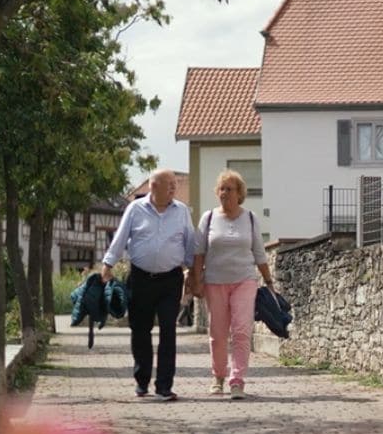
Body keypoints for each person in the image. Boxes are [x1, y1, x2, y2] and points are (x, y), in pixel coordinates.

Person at [100, 168, 195, 401]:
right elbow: (120, 238)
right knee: (140, 330)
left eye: (174, 184)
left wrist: (192, 272)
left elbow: (190, 242)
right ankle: (142, 381)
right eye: (169, 183)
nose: (174, 187)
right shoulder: (135, 209)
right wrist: (107, 264)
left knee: (168, 331)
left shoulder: (182, 211)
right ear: (154, 186)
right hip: (140, 279)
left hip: (170, 280)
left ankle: (164, 386)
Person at [188, 169, 273, 400]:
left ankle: (237, 381)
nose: (224, 193)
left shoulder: (250, 218)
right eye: (221, 189)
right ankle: (218, 377)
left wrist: (268, 281)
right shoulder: (208, 218)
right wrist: (196, 280)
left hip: (244, 280)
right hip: (215, 282)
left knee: (242, 331)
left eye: (229, 189)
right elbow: (199, 252)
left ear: (239, 193)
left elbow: (259, 253)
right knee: (217, 333)